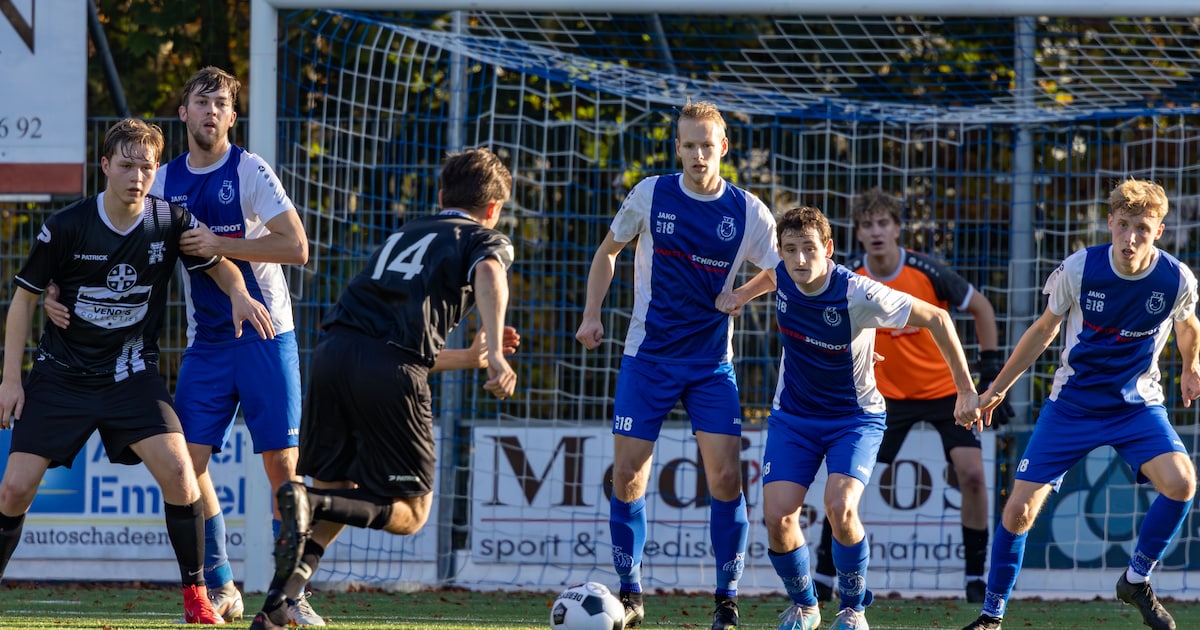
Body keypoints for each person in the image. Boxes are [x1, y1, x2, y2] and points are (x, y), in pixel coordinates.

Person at [43, 67, 314, 625]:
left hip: (266, 335)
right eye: (202, 101)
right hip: (207, 343)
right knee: (186, 465)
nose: (211, 111)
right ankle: (221, 584)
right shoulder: (160, 179)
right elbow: (109, 235)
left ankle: (290, 595)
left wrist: (220, 242)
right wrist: (55, 287)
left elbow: (296, 247)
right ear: (184, 112)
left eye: (221, 104)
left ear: (232, 117)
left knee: (282, 468)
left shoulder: (249, 170)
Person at [0, 118, 276, 625]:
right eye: (126, 166)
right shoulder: (67, 225)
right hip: (62, 376)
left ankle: (197, 595)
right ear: (105, 166)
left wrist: (239, 293)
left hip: (131, 375)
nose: (137, 176)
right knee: (14, 489)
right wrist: (11, 380)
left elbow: (218, 262)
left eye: (146, 167)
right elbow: (24, 299)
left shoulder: (170, 220)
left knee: (180, 474)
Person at [248, 147, 520, 630]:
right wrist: (496, 351)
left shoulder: (405, 233)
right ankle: (310, 503)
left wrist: (470, 357)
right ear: (493, 208)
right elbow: (490, 271)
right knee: (411, 513)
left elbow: (396, 347)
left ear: (442, 197)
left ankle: (276, 605)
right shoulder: (483, 238)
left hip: (332, 356)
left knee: (340, 491)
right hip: (389, 369)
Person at [575, 101, 780, 630]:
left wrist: (741, 294)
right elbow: (607, 252)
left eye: (706, 145)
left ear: (723, 147)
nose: (697, 155)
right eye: (688, 145)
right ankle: (631, 592)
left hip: (711, 365)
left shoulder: (748, 211)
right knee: (627, 476)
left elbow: (783, 270)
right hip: (648, 359)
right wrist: (592, 314)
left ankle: (726, 600)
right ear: (678, 148)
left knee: (726, 478)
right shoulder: (651, 193)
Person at [961, 178, 1199, 630]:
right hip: (1072, 406)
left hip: (1136, 407)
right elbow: (1043, 331)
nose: (1131, 238)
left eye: (1142, 229)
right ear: (1109, 222)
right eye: (1123, 225)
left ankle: (1136, 580)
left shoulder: (1175, 278)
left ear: (1159, 231)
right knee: (1018, 511)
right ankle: (991, 615)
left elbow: (1188, 326)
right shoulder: (1080, 268)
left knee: (1182, 482)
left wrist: (1192, 366)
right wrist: (998, 388)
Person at [745, 206, 979, 630]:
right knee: (777, 517)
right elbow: (771, 277)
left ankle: (853, 609)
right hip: (793, 417)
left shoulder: (859, 292)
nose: (800, 259)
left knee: (840, 506)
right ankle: (806, 607)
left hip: (853, 419)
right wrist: (739, 296)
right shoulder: (783, 273)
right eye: (790, 250)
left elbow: (938, 317)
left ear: (829, 248)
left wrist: (965, 389)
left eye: (809, 248)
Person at [812, 187, 1007, 603]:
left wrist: (989, 372)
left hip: (944, 393)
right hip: (884, 398)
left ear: (898, 229)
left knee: (973, 476)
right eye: (867, 225)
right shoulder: (850, 280)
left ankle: (976, 577)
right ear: (857, 233)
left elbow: (983, 309)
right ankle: (824, 574)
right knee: (846, 482)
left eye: (883, 223)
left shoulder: (927, 271)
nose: (876, 232)